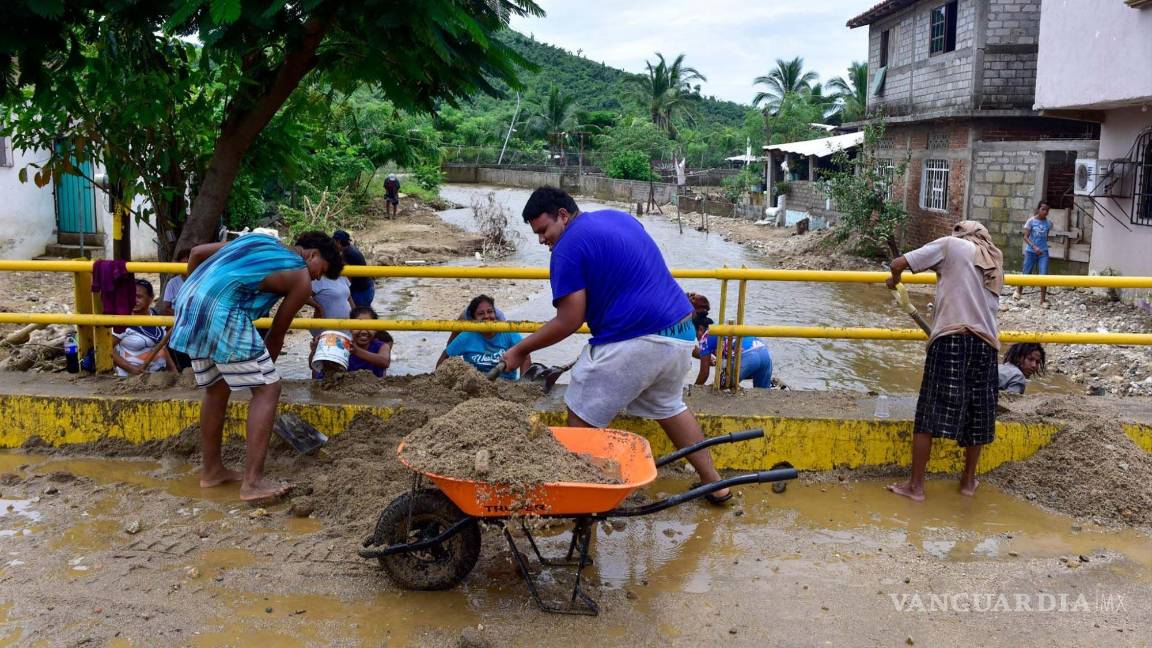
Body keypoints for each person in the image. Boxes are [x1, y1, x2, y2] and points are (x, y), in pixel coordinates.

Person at [500, 186, 731, 504]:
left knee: (580, 412)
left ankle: (584, 498)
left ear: (563, 216)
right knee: (669, 407)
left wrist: (520, 349)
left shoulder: (567, 248)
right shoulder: (617, 218)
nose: (542, 240)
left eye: (544, 230)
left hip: (640, 338)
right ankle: (716, 485)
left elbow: (569, 320)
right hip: (680, 332)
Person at [169, 231, 343, 502]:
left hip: (190, 300)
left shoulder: (260, 241)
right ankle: (253, 483)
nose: (318, 279)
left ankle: (212, 471)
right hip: (223, 311)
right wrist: (264, 378)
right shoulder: (301, 277)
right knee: (268, 390)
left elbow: (197, 253)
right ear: (313, 255)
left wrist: (198, 291)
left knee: (217, 389)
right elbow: (276, 333)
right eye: (322, 271)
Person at [885, 220, 1003, 502]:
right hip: (986, 344)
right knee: (978, 415)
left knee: (929, 412)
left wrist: (895, 281)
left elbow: (898, 263)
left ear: (960, 233)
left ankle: (916, 487)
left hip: (951, 337)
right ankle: (967, 482)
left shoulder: (951, 246)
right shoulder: (995, 260)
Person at [438, 295, 529, 380]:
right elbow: (446, 355)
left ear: (495, 314)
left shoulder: (507, 332)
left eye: (490, 312)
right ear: (474, 319)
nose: (486, 316)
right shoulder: (467, 336)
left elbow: (525, 356)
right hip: (477, 384)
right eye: (481, 314)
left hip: (508, 384)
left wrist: (522, 383)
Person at [111, 279, 177, 376]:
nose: (134, 300)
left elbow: (161, 347)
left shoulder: (157, 318)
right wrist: (131, 369)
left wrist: (173, 371)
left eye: (139, 297)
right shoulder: (122, 320)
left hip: (159, 376)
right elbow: (107, 349)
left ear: (151, 298)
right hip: (131, 379)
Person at [691, 314, 774, 388]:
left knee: (721, 387)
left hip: (748, 356)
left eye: (695, 335)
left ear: (700, 329)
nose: (696, 339)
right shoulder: (721, 327)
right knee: (761, 393)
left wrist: (693, 389)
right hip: (764, 353)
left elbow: (704, 374)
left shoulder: (704, 338)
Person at [1015, 201, 1052, 305]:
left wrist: (1041, 248)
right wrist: (1034, 247)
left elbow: (1046, 237)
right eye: (1043, 209)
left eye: (1047, 210)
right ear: (1038, 209)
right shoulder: (1030, 221)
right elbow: (1025, 237)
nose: (1045, 212)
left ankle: (1043, 299)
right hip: (1030, 252)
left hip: (1043, 253)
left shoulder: (1048, 223)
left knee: (1043, 275)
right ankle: (1018, 291)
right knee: (1026, 272)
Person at [332, 230, 374, 308]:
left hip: (361, 292)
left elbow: (348, 278)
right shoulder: (350, 249)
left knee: (359, 316)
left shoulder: (347, 254)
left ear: (338, 242)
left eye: (334, 242)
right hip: (367, 288)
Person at [347, 306, 393, 377]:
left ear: (375, 330)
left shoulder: (382, 346)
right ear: (350, 328)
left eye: (369, 326)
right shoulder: (345, 346)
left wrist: (357, 351)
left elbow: (385, 362)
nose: (364, 331)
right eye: (358, 326)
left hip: (376, 386)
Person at [156, 249, 191, 316]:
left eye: (187, 264)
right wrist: (184, 315)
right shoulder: (172, 283)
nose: (185, 268)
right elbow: (166, 308)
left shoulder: (200, 281)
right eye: (182, 265)